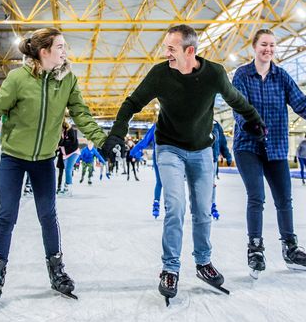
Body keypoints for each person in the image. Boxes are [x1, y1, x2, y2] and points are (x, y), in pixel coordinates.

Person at [101, 24, 265, 302]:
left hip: (202, 150)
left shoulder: (213, 73)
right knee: (175, 206)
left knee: (202, 210)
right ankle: (170, 268)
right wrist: (117, 134)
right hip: (169, 149)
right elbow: (132, 103)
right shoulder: (160, 74)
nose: (166, 53)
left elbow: (235, 99)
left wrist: (255, 121)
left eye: (171, 48)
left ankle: (203, 262)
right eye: (166, 47)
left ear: (190, 51)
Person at [0, 27, 108, 305]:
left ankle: (57, 272)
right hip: (13, 159)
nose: (65, 51)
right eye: (60, 46)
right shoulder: (18, 78)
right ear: (44, 51)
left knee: (48, 215)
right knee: (7, 215)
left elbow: (81, 115)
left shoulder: (68, 80)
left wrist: (101, 140)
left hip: (44, 162)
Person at [232, 28, 306, 278]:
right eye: (263, 45)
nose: (267, 49)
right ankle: (255, 248)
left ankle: (290, 248)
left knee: (284, 199)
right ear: (254, 47)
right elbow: (239, 105)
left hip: (276, 146)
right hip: (248, 145)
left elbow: (301, 103)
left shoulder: (281, 77)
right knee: (256, 196)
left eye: (271, 45)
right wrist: (249, 123)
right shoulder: (242, 75)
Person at [130, 123, 161, 218]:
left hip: (160, 156)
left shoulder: (157, 125)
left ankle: (157, 205)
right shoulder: (160, 125)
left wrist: (133, 152)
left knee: (160, 182)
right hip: (166, 157)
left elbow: (145, 141)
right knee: (169, 183)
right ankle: (167, 206)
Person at [210, 120, 232, 220]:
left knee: (212, 184)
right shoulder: (196, 118)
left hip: (213, 159)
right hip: (198, 159)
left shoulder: (216, 125)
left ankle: (212, 204)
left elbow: (222, 142)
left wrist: (227, 155)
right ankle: (201, 206)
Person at [59, 121, 80, 195]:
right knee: (67, 171)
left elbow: (73, 142)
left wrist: (61, 143)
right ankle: (66, 188)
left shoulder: (70, 131)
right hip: (65, 154)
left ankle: (69, 189)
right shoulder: (61, 132)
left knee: (68, 169)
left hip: (73, 152)